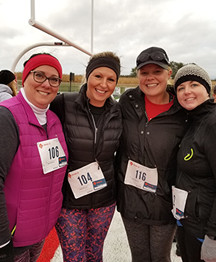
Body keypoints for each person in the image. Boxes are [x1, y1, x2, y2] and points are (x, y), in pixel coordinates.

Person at [116, 46, 187, 262]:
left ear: (169, 74)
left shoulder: (183, 109)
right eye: (144, 72)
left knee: (159, 257)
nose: (150, 78)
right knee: (138, 256)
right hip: (131, 198)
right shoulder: (128, 101)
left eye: (157, 71)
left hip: (164, 201)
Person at [50, 51, 122, 261]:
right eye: (98, 76)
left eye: (111, 79)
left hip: (104, 199)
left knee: (94, 254)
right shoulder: (63, 103)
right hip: (69, 201)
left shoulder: (119, 112)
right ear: (88, 76)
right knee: (74, 257)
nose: (103, 84)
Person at [0, 53, 68, 262]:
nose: (46, 84)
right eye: (39, 75)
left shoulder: (54, 119)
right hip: (12, 239)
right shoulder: (6, 117)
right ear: (24, 78)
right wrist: (2, 242)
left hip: (39, 232)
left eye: (54, 79)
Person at [173, 63, 216, 262]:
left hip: (213, 233)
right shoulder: (193, 120)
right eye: (181, 88)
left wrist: (214, 238)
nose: (187, 92)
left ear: (207, 90)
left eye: (193, 85)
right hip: (191, 223)